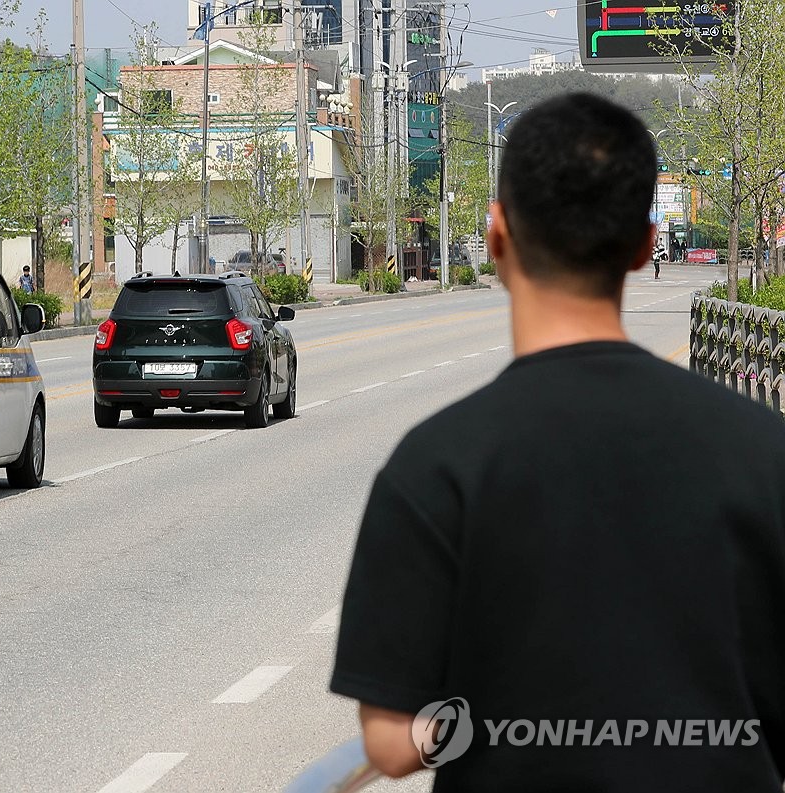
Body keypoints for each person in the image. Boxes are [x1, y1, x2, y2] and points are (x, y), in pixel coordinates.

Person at [330, 93, 785, 791]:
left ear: (497, 237)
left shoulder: (437, 463)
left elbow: (390, 741)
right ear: (642, 245)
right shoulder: (763, 448)